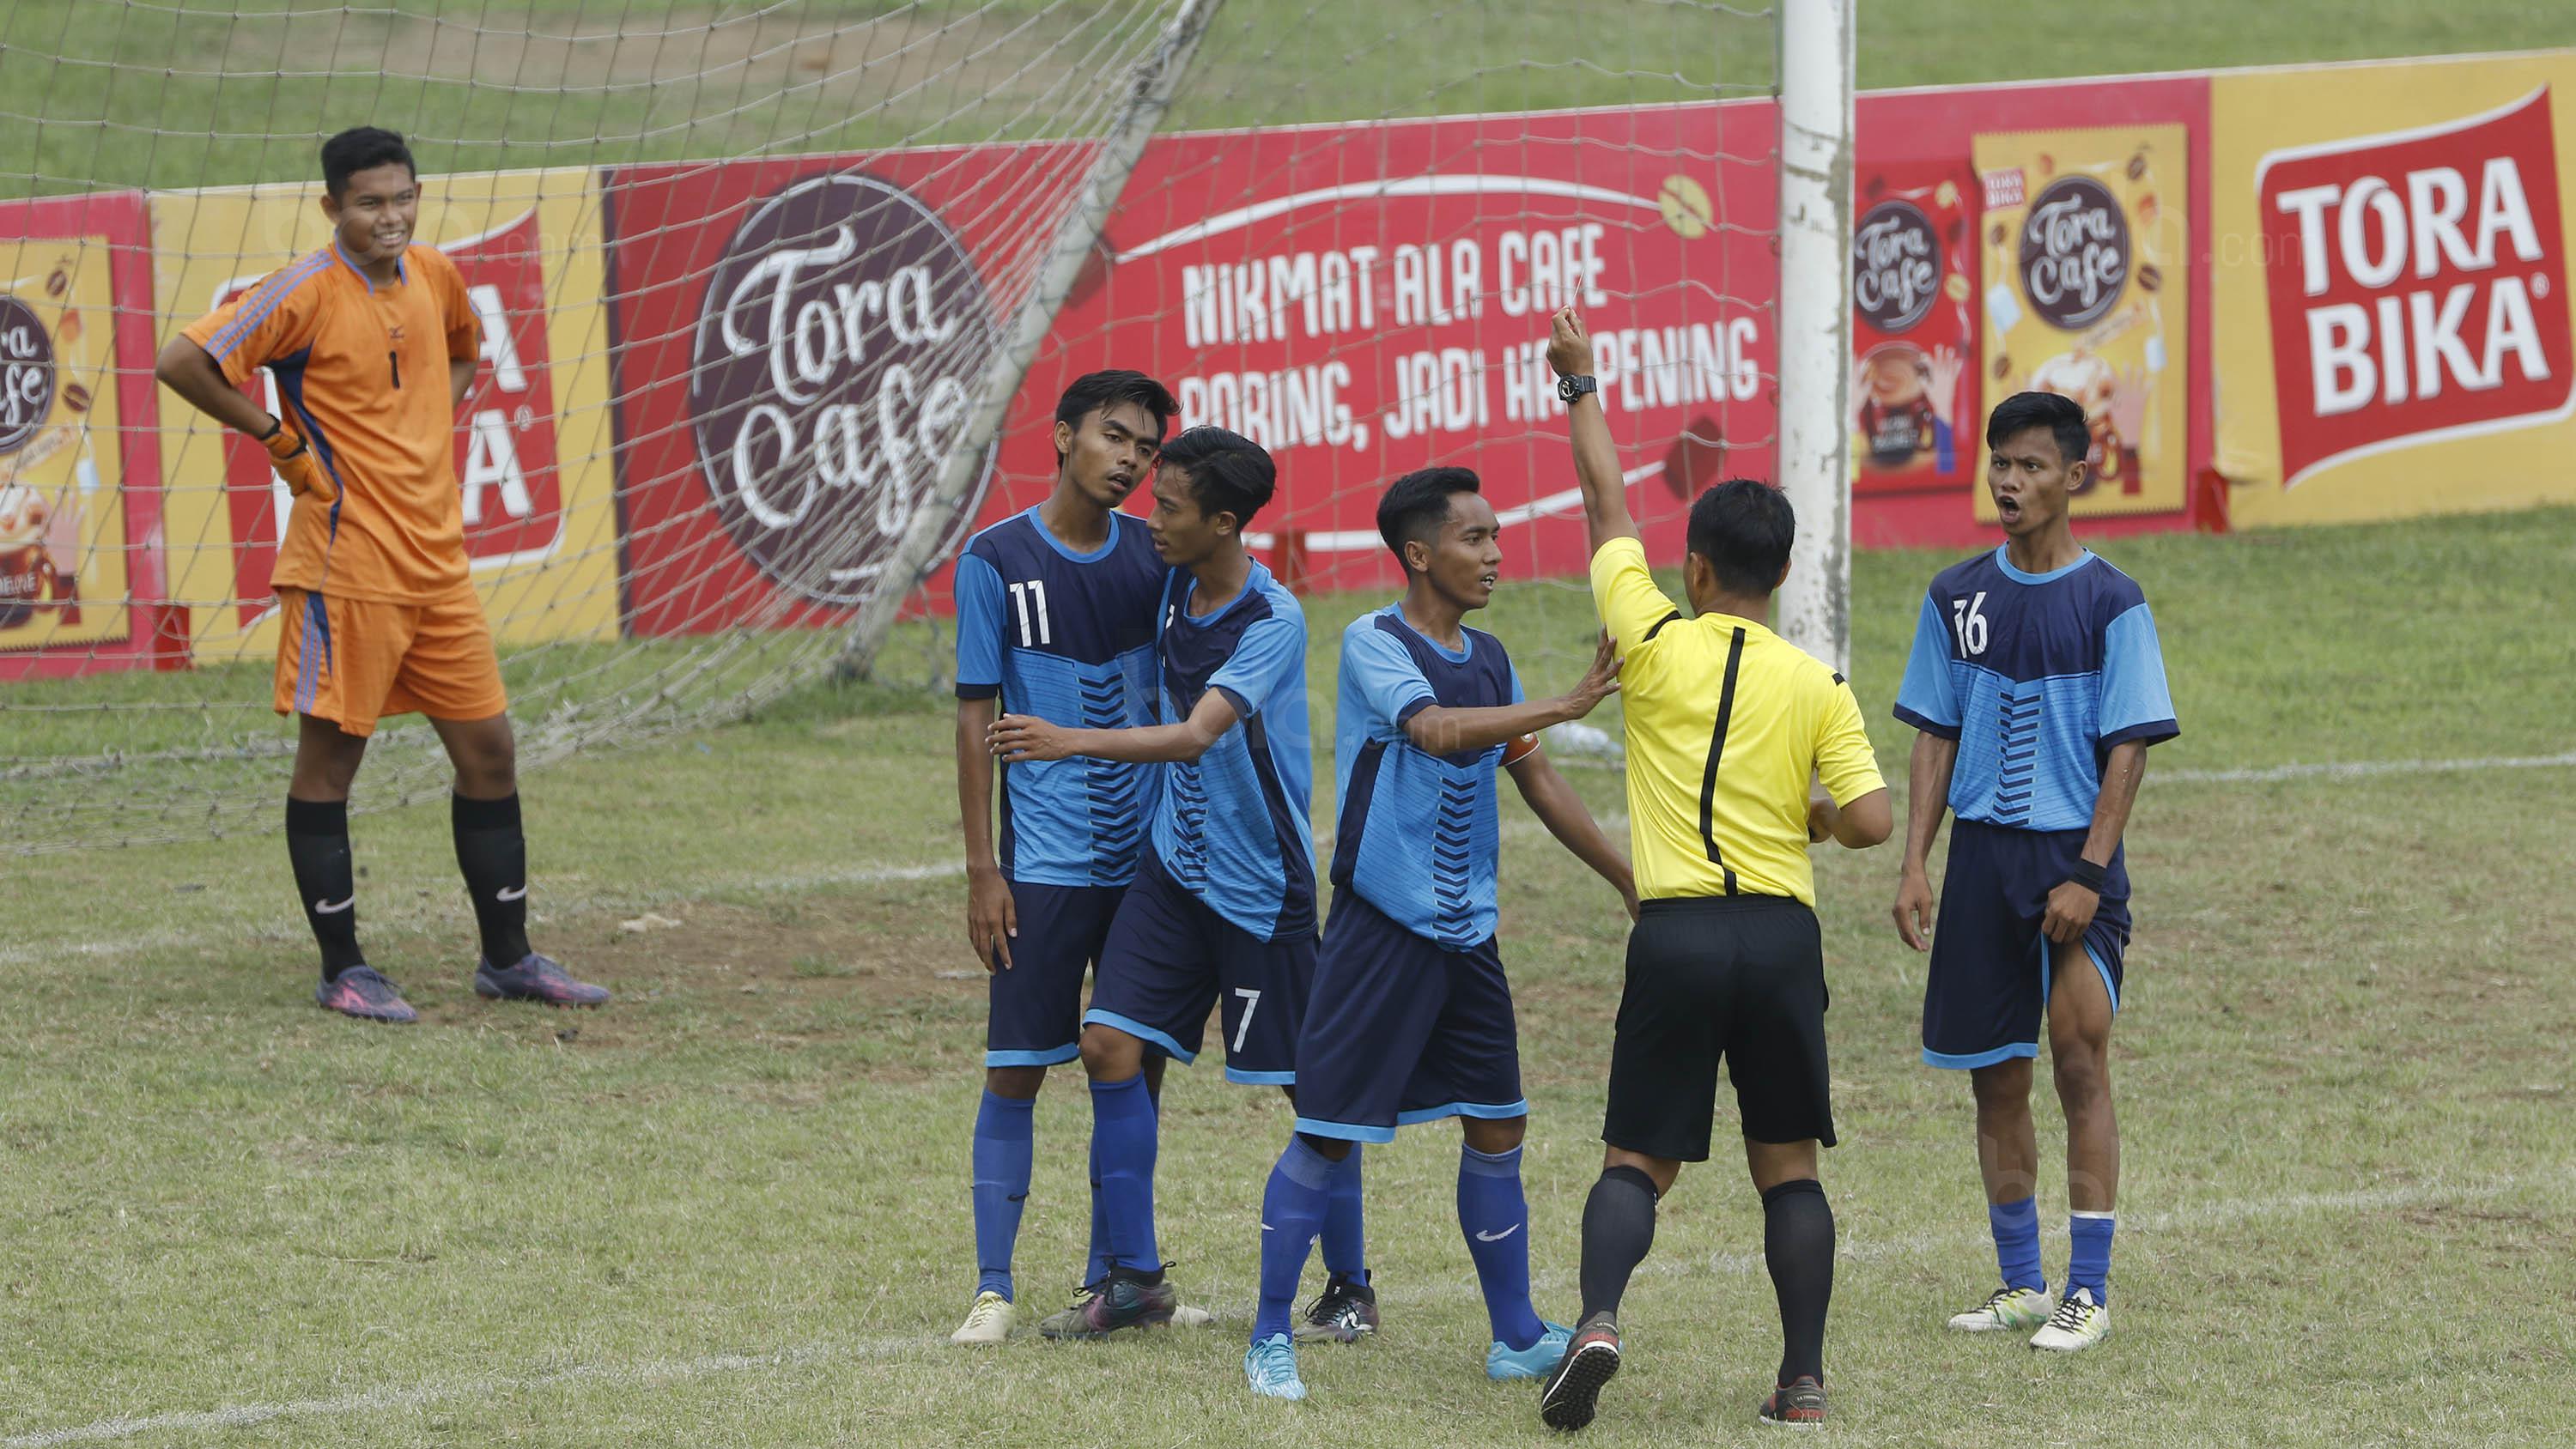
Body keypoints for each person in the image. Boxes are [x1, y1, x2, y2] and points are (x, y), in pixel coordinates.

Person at [154, 126, 606, 1023]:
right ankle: (344, 967)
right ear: (332, 208)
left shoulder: (436, 274)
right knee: (332, 760)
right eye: (369, 202)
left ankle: (508, 959)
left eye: (402, 197)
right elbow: (182, 361)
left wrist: (425, 428)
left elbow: (464, 351)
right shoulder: (301, 292)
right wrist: (280, 439)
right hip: (344, 567)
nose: (390, 216)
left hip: (438, 568)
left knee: (490, 751)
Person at [1534, 308, 1892, 1432]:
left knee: (1636, 1158)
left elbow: (1604, 505)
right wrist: (1824, 823)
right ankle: (1802, 1382)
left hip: (1676, 931)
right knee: (1788, 1167)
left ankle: (1597, 1320)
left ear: (1691, 567)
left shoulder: (1646, 635)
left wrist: (1581, 381)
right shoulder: (1817, 684)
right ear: (1784, 574)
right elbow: (1876, 819)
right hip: (1780, 938)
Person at [1241, 466, 1637, 1401]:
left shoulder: (1491, 653)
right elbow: (1437, 730)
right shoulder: (1372, 641)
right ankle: (1267, 1337)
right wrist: (1563, 702)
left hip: (1469, 935)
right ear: (1420, 553)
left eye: (1497, 535)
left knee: (1500, 1123)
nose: (1495, 553)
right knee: (1328, 1132)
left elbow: (1533, 776)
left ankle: (1512, 1334)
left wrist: (1627, 875)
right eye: (1475, 538)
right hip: (1382, 931)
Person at [987, 427, 1321, 1340]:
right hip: (1175, 867)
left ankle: (1352, 1284)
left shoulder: (1272, 618)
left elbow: (1192, 735)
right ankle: (1134, 1280)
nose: (1150, 516)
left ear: (1223, 522)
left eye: (1167, 506)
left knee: (1310, 1087)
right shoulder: (1175, 578)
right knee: (1106, 1044)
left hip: (1259, 882)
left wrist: (1067, 736)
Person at [1890, 390, 2178, 1353]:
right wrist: (1915, 863)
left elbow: (2130, 747)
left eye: (2029, 466)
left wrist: (2090, 873)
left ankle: (2087, 1292)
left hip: (2070, 863)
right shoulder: (1954, 595)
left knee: (2079, 1061)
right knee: (1994, 1078)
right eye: (1998, 463)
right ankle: (2021, 1283)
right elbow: (1936, 727)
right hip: (1981, 860)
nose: (2008, 482)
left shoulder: (2114, 602)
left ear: (2073, 476)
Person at [947, 370, 1181, 1345]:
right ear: (1061, 436)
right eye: (1114, 436)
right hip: (1038, 868)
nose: (1129, 459)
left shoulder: (1159, 555)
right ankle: (993, 1288)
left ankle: (1110, 1276)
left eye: (1145, 448)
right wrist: (981, 867)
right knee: (1015, 1069)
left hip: (1149, 871)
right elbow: (973, 718)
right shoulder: (994, 559)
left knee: (1131, 1068)